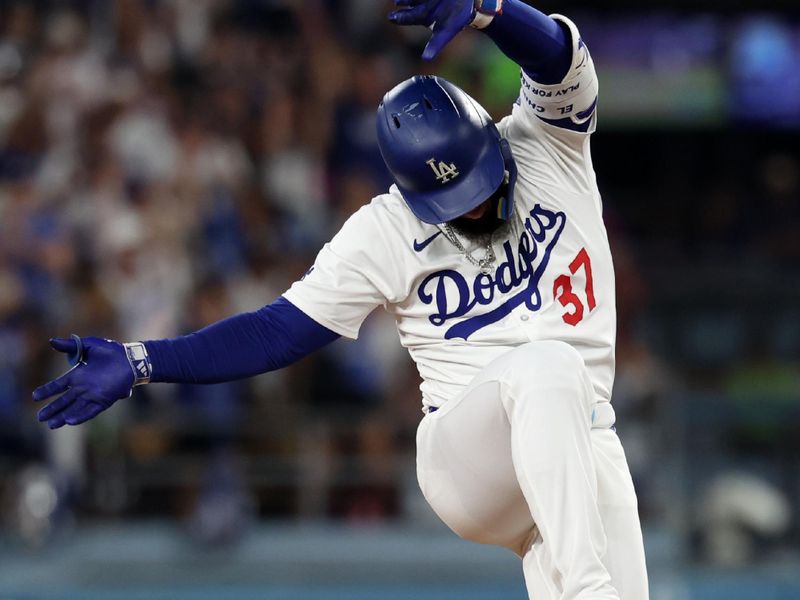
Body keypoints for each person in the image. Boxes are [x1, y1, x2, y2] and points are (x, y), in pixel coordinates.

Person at [32, 1, 649, 597]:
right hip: (470, 461)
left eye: (480, 185)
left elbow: (560, 60)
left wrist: (495, 10)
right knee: (549, 367)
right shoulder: (383, 230)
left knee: (583, 452)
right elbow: (276, 332)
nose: (478, 205)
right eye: (456, 203)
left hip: (579, 440)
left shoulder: (548, 142)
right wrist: (145, 361)